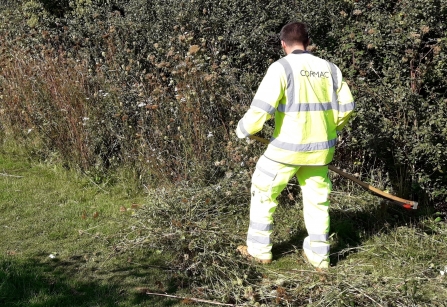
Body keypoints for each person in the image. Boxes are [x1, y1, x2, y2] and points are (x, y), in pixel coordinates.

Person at [235, 22, 355, 270]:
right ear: (308, 42)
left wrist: (244, 129)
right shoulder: (330, 69)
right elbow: (347, 107)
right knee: (317, 202)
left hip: (286, 150)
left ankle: (259, 250)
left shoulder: (281, 68)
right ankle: (319, 257)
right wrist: (330, 128)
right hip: (320, 151)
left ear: (283, 44)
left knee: (263, 192)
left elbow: (262, 108)